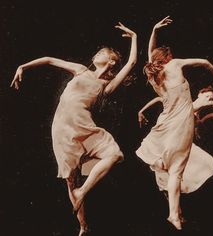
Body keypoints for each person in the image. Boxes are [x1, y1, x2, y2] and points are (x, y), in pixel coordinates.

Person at [11, 22, 137, 236]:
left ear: (110, 61)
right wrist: (23, 66)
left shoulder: (106, 85)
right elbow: (50, 60)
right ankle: (83, 226)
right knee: (71, 178)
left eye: (101, 52)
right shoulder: (80, 70)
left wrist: (134, 37)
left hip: (84, 126)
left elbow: (132, 62)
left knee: (115, 154)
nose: (96, 53)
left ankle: (82, 193)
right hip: (63, 127)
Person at [136, 16, 213, 230]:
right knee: (176, 171)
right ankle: (174, 213)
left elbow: (149, 54)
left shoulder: (152, 74)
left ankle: (174, 214)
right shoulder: (175, 64)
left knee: (172, 169)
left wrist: (154, 30)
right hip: (181, 124)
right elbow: (205, 62)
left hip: (164, 124)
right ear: (168, 57)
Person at [138, 86, 213, 221]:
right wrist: (141, 111)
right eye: (206, 96)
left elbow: (194, 125)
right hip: (167, 142)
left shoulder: (197, 113)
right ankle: (176, 212)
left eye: (210, 98)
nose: (208, 100)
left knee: (205, 163)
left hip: (182, 145)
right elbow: (159, 98)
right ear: (200, 94)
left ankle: (178, 210)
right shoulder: (186, 102)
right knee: (165, 174)